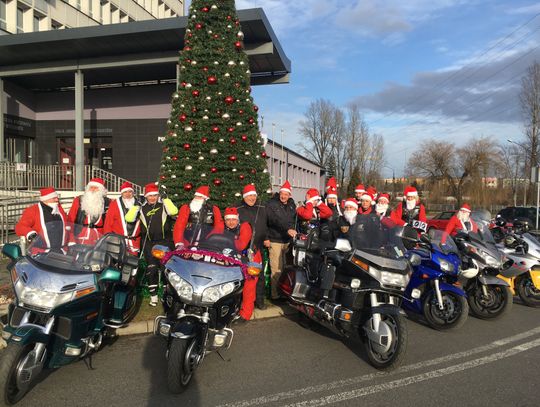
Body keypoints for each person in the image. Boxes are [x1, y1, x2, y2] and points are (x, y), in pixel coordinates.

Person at [125, 182, 178, 306]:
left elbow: (173, 211)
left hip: (165, 242)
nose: (152, 198)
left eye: (155, 195)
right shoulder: (142, 208)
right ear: (146, 196)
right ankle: (153, 296)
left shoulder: (163, 205)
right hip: (149, 243)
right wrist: (136, 206)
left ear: (158, 195)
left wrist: (166, 199)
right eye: (150, 196)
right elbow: (129, 219)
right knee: (152, 268)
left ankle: (166, 294)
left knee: (166, 268)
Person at [219, 207, 256, 322]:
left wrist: (225, 243)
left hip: (250, 258)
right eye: (228, 220)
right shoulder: (222, 228)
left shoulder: (244, 227)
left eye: (233, 219)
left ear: (237, 219)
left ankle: (245, 315)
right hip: (232, 259)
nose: (231, 222)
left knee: (248, 286)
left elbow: (241, 245)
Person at [236, 184, 270, 310]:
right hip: (244, 248)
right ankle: (242, 302)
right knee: (244, 275)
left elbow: (264, 225)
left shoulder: (261, 208)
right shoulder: (238, 208)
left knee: (258, 275)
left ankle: (259, 300)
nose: (252, 198)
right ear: (245, 196)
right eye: (250, 196)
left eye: (254, 196)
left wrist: (266, 237)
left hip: (258, 247)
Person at [266, 181, 297, 301]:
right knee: (276, 269)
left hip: (287, 241)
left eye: (286, 194)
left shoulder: (291, 205)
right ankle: (275, 295)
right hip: (275, 239)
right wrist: (287, 229)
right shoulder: (271, 204)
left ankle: (284, 292)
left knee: (285, 268)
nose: (283, 196)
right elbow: (273, 220)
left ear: (289, 195)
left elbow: (294, 220)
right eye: (282, 193)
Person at [15, 187, 69, 251]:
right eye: (54, 198)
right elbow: (20, 226)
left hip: (61, 251)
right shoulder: (33, 210)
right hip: (42, 252)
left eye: (57, 197)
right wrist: (31, 234)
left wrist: (71, 242)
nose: (57, 200)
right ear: (46, 199)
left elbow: (68, 227)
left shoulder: (59, 209)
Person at [68, 178, 110, 245]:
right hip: (81, 234)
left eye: (96, 188)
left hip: (100, 236)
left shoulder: (108, 202)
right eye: (91, 187)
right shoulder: (78, 200)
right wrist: (71, 238)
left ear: (101, 190)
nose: (93, 190)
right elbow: (70, 220)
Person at [104, 181, 140, 255]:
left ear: (133, 193)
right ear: (121, 193)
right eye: (125, 192)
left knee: (132, 263)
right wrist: (108, 238)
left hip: (134, 242)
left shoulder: (139, 205)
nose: (128, 194)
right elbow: (108, 222)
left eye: (130, 192)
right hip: (118, 240)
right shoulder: (114, 204)